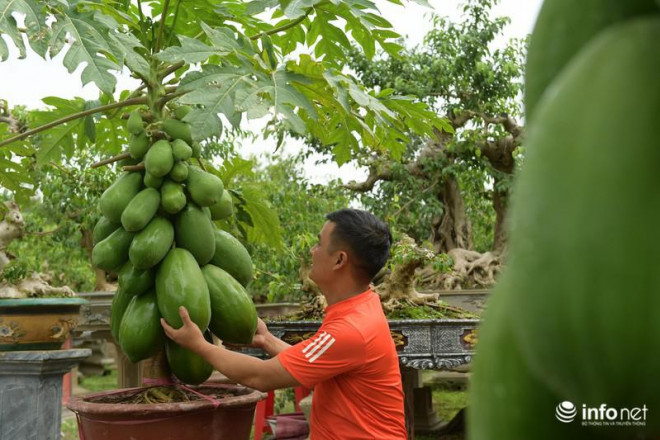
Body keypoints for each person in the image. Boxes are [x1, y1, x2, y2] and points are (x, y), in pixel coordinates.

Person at [161, 208, 407, 439]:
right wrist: (266, 340)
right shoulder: (360, 307)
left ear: (339, 260)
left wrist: (199, 345)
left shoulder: (351, 329)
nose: (312, 250)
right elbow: (310, 367)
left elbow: (261, 377)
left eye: (319, 243)